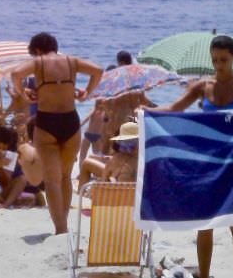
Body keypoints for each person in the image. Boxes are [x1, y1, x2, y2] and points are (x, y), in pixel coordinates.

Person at [151, 35, 233, 278]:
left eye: (224, 60)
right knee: (204, 222)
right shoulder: (204, 86)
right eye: (215, 60)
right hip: (206, 162)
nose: (219, 65)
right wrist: (148, 112)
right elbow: (175, 108)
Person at [10, 32, 103, 234]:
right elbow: (98, 70)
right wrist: (87, 92)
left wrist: (23, 93)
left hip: (47, 122)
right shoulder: (72, 61)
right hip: (70, 121)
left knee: (52, 180)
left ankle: (60, 229)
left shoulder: (39, 63)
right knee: (66, 177)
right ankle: (64, 224)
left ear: (37, 50)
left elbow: (16, 74)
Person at [78, 121, 139, 189]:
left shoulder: (117, 159)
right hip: (132, 195)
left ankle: (80, 193)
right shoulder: (145, 158)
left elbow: (104, 184)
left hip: (112, 194)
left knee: (87, 162)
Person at [78, 99, 108, 164]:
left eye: (100, 103)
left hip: (93, 135)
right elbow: (86, 119)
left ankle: (91, 172)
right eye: (99, 103)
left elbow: (106, 123)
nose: (99, 105)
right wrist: (79, 126)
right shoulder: (98, 112)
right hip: (92, 135)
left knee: (87, 155)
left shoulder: (101, 113)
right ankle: (84, 172)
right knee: (86, 155)